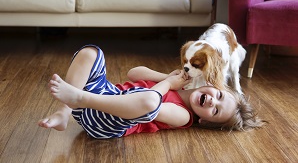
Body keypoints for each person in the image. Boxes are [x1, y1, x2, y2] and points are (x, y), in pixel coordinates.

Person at [38, 45, 265, 139]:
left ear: (204, 122)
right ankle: (65, 112)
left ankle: (79, 99)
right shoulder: (175, 83)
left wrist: (167, 86)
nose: (212, 102)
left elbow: (149, 104)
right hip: (104, 95)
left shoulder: (184, 116)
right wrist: (166, 78)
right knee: (91, 52)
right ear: (215, 87)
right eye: (220, 96)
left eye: (215, 111)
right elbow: (133, 73)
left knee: (149, 101)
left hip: (110, 123)